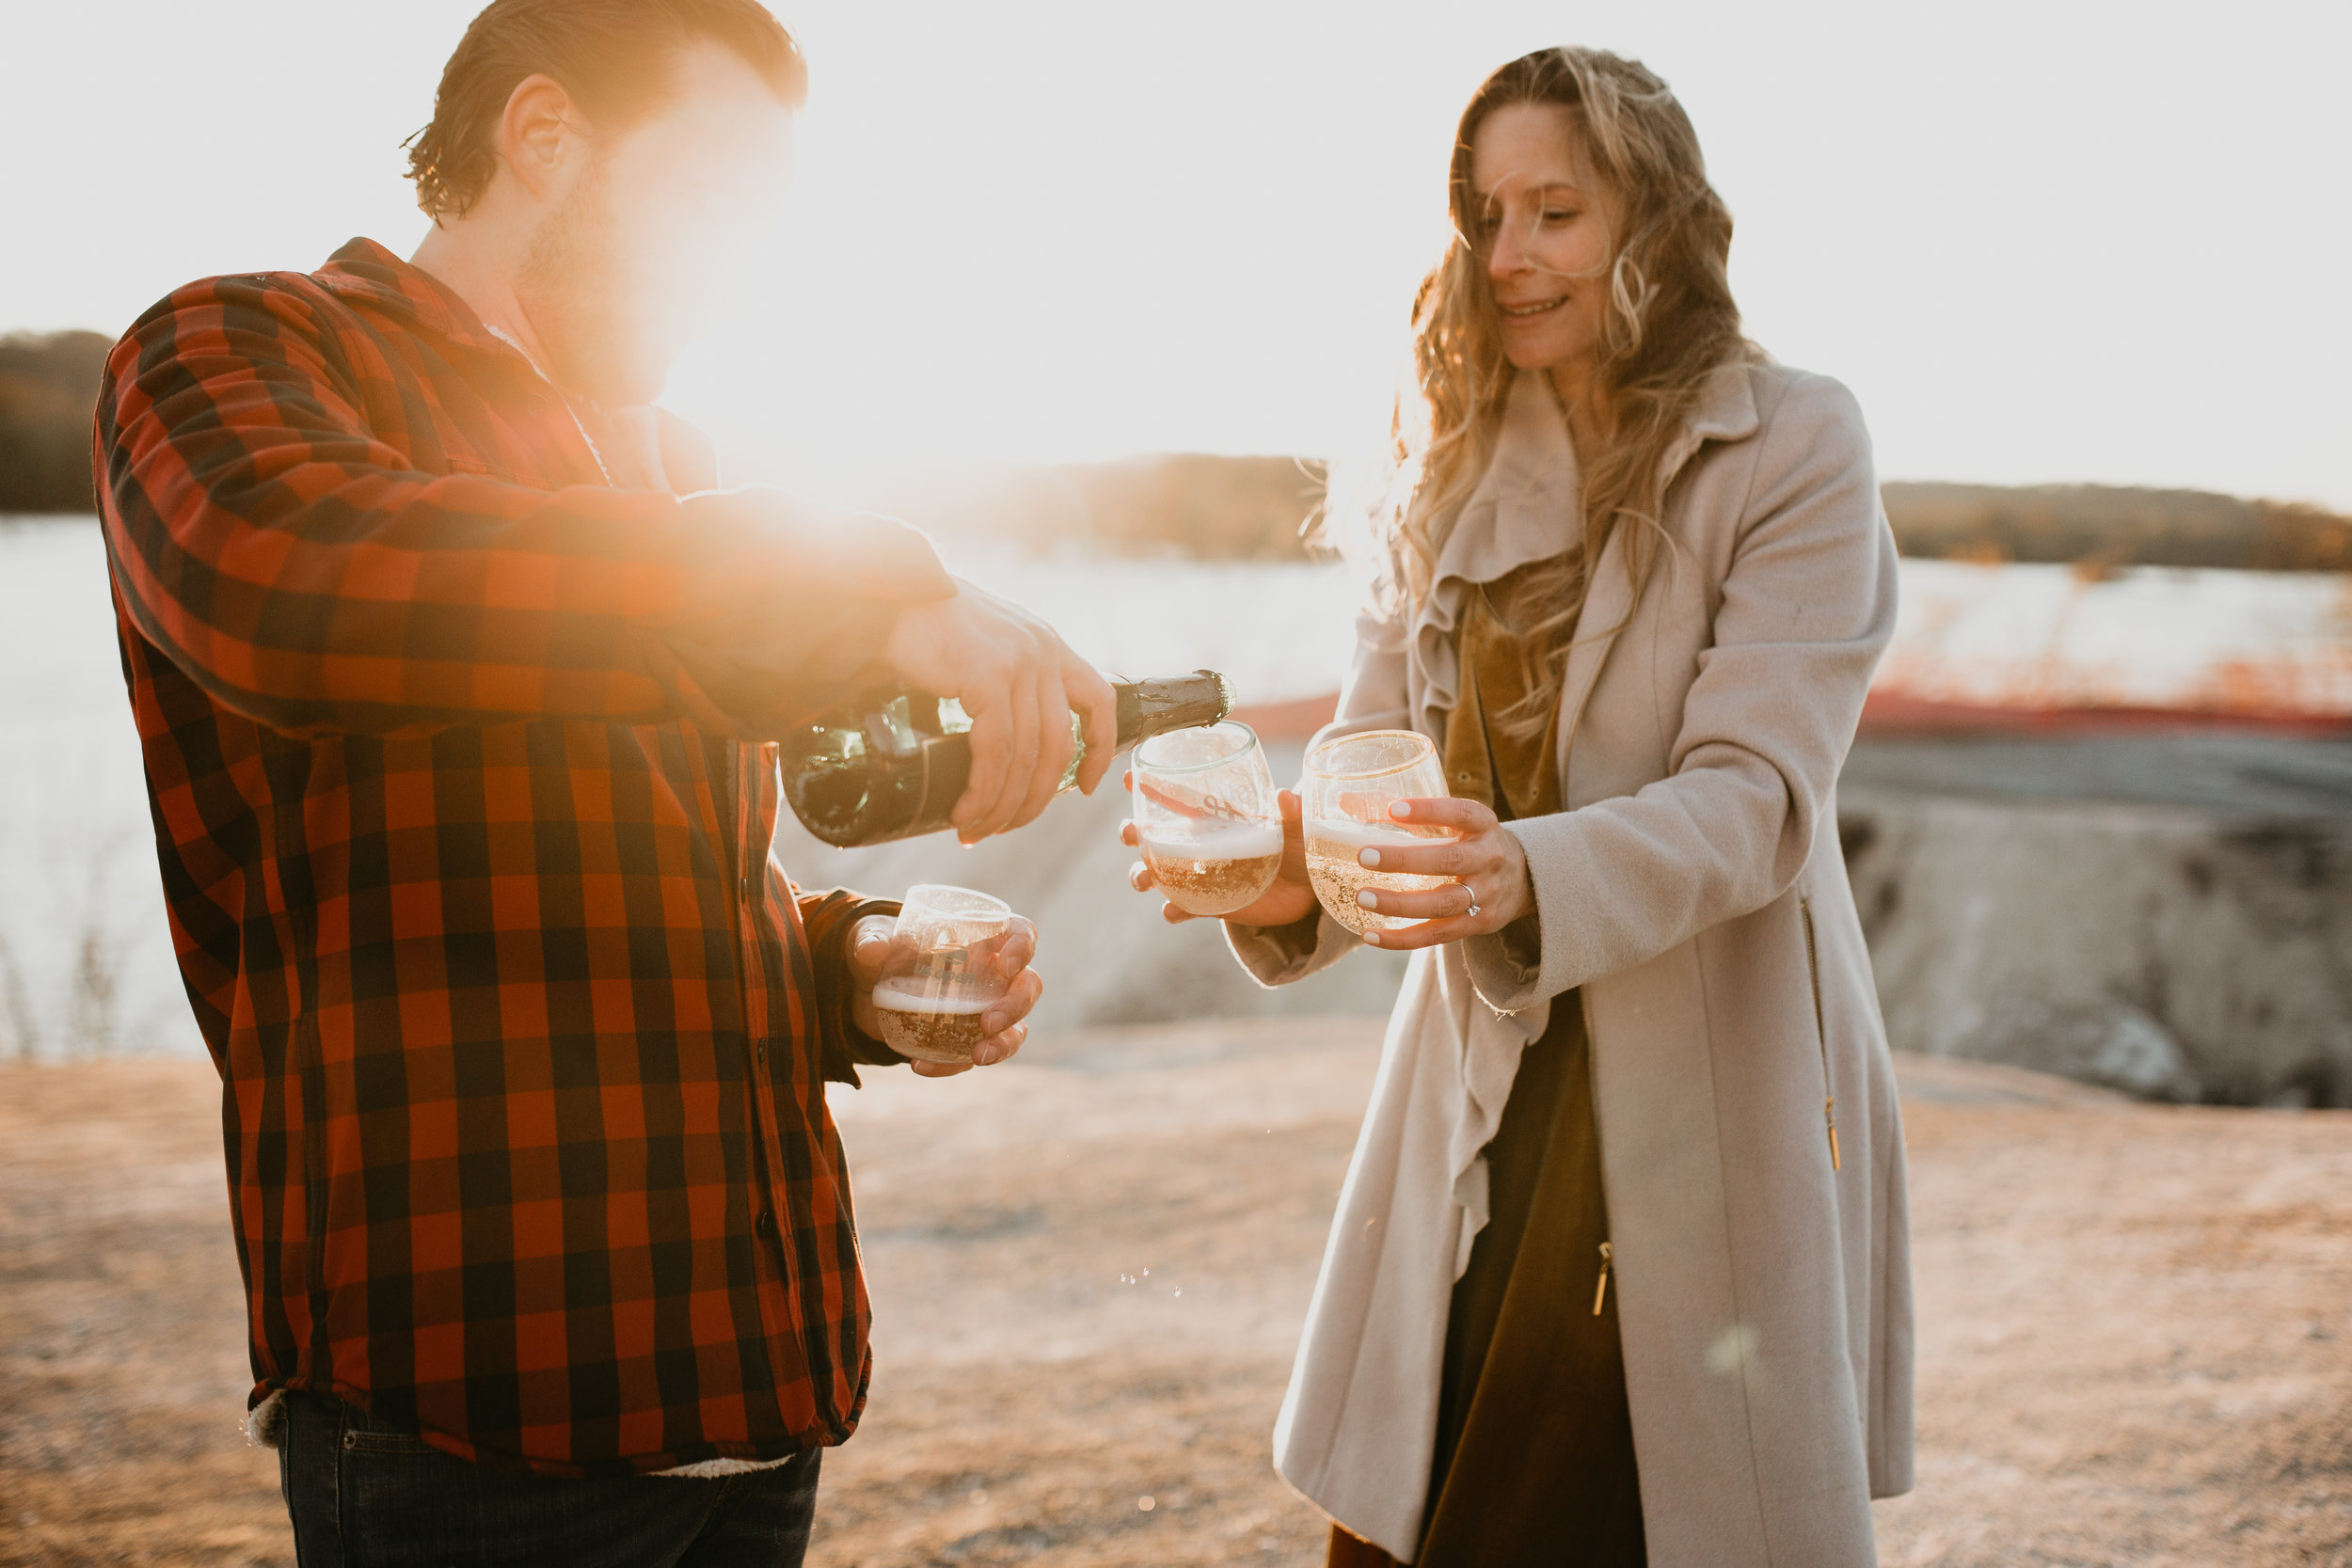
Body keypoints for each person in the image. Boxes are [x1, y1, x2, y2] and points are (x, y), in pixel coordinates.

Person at [94, 3, 1115, 1563]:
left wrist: (840, 966)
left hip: (749, 1391)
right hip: (476, 1425)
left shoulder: (669, 467)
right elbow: (291, 587)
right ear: (545, 136)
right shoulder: (235, 350)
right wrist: (862, 583)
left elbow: (657, 878)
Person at [1124, 46, 1914, 1568]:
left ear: (1658, 221)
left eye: (1557, 208)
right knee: (1410, 1520)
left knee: (1648, 1512)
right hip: (1484, 1077)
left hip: (1710, 1068)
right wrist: (1272, 873)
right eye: (1488, 213)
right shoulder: (1447, 468)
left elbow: (1758, 804)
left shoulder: (1799, 441)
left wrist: (1515, 874)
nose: (1509, 255)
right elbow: (1368, 789)